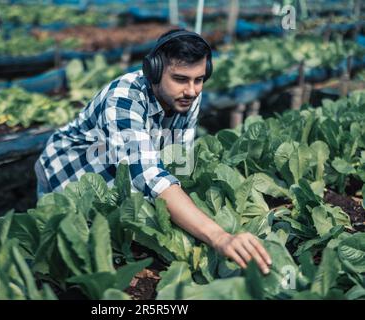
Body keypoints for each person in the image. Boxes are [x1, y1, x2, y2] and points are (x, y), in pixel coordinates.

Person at [35, 29, 272, 274]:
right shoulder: (123, 99)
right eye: (180, 79)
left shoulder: (187, 97)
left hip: (116, 170)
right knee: (68, 257)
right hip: (67, 173)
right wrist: (219, 236)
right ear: (154, 73)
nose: (192, 90)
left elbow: (177, 160)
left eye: (199, 79)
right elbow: (149, 176)